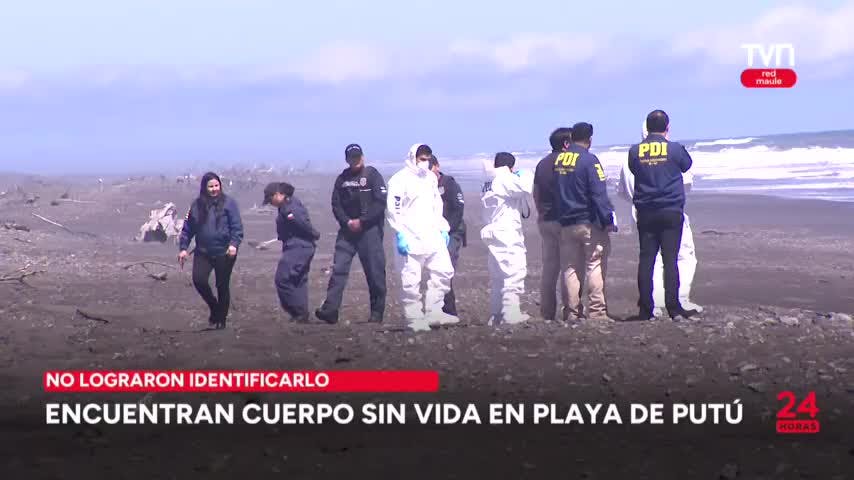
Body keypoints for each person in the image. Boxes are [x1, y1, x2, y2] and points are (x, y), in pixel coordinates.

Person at [619, 119, 703, 317]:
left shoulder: (634, 151)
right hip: (670, 210)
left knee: (647, 259)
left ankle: (647, 308)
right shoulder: (674, 149)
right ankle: (674, 307)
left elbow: (632, 172)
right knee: (671, 259)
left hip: (645, 211)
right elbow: (687, 168)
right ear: (668, 127)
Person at [386, 143, 458, 331]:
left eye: (427, 159)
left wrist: (443, 228)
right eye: (421, 159)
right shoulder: (399, 180)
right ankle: (414, 318)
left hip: (432, 234)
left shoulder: (430, 179)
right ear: (413, 158)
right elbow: (394, 209)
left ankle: (435, 311)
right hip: (410, 236)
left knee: (444, 271)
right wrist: (400, 233)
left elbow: (436, 205)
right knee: (410, 278)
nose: (425, 163)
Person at [315, 144, 388, 324]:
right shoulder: (342, 179)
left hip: (369, 231)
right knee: (338, 269)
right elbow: (336, 204)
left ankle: (376, 313)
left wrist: (363, 221)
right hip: (347, 231)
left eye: (358, 157)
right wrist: (347, 221)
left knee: (375, 272)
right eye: (352, 158)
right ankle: (330, 310)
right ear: (347, 160)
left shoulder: (373, 176)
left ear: (363, 157)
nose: (355, 161)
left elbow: (380, 203)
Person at [553, 123, 617, 322]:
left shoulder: (560, 160)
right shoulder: (589, 160)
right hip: (588, 222)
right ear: (589, 139)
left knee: (570, 268)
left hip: (566, 221)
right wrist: (607, 219)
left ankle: (571, 312)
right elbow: (598, 193)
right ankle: (597, 312)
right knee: (594, 265)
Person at [178, 172, 244, 329]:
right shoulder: (196, 205)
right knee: (199, 280)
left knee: (222, 285)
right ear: (204, 188)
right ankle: (215, 308)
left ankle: (221, 320)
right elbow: (188, 229)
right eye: (211, 186)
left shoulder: (229, 203)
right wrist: (183, 248)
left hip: (224, 252)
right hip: (203, 251)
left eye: (216, 186)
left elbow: (237, 227)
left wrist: (234, 244)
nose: (214, 189)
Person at [480, 152, 535, 325]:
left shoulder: (488, 181)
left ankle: (497, 314)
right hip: (506, 232)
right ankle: (511, 312)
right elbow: (526, 186)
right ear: (510, 167)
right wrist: (525, 174)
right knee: (514, 271)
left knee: (498, 276)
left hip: (492, 230)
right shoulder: (505, 178)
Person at [263, 182, 321, 323]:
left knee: (282, 279)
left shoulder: (289, 208)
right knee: (298, 280)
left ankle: (297, 311)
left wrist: (314, 234)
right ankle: (301, 315)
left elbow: (302, 223)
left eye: (270, 199)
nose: (270, 203)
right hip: (298, 246)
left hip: (299, 246)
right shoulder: (286, 206)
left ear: (278, 194)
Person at [533, 127, 573, 321]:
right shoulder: (568, 161)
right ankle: (570, 310)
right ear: (566, 144)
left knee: (549, 268)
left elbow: (536, 191)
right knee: (568, 266)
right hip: (564, 220)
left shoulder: (542, 164)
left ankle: (547, 312)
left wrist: (540, 212)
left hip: (545, 219)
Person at [429, 155, 466, 316]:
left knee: (446, 268)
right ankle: (441, 309)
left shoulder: (449, 183)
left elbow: (458, 208)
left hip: (452, 232)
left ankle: (449, 310)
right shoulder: (424, 186)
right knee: (435, 270)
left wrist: (447, 230)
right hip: (432, 233)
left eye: (430, 167)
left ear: (437, 166)